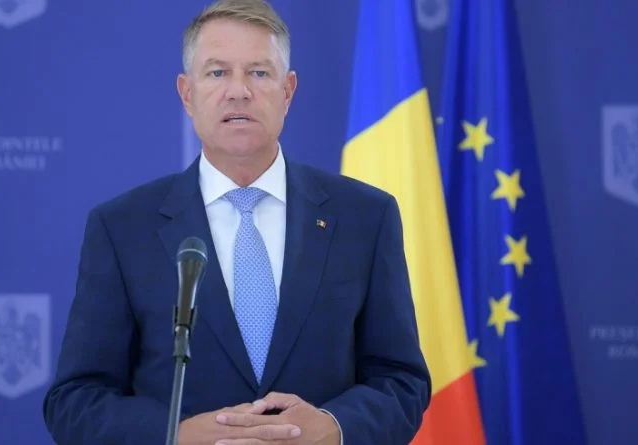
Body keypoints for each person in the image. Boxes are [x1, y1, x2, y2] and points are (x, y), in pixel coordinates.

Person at [42, 0, 431, 443]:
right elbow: (75, 400)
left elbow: (402, 382)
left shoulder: (365, 216)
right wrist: (177, 436)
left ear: (288, 91)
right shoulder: (122, 228)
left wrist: (334, 427)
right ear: (187, 94)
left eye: (259, 73)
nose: (239, 91)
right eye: (217, 72)